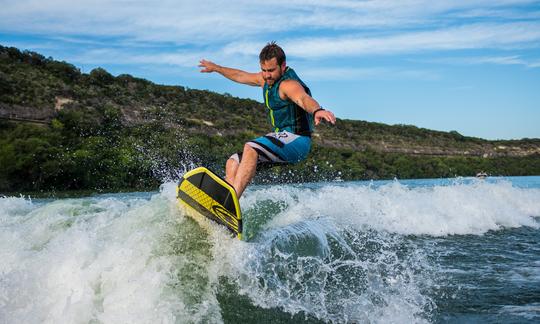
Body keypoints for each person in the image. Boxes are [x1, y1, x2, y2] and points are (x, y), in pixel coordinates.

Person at [199, 42, 336, 198]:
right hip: (282, 141)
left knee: (251, 147)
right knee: (233, 162)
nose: (266, 75)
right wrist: (217, 68)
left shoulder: (288, 84)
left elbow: (303, 99)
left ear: (283, 66)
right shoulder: (264, 79)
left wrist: (317, 110)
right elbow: (240, 75)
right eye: (263, 70)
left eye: (271, 70)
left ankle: (230, 201)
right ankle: (226, 204)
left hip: (298, 139)